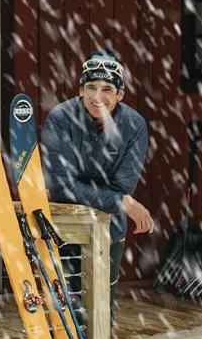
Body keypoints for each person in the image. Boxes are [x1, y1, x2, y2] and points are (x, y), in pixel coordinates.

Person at [42, 50, 154, 288]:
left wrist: (79, 190)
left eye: (107, 89)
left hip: (109, 230)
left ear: (120, 94)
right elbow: (61, 187)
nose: (97, 96)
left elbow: (123, 187)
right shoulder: (60, 119)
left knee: (102, 313)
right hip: (63, 229)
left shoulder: (134, 126)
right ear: (81, 89)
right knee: (63, 309)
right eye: (91, 87)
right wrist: (122, 202)